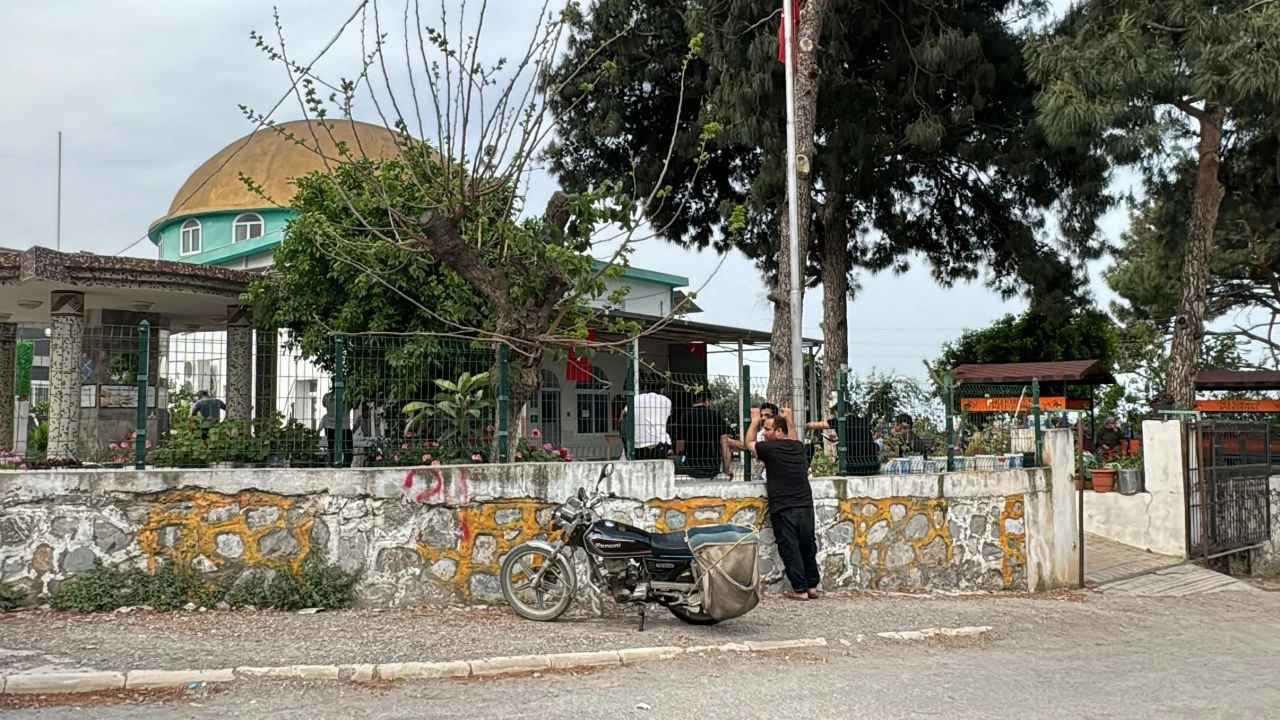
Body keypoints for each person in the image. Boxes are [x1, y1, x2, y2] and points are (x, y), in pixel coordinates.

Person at [747, 406, 820, 601]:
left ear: (779, 432)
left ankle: (800, 589)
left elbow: (749, 443)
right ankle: (812, 586)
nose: (765, 432)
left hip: (784, 506)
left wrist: (754, 421)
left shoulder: (769, 448)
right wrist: (789, 419)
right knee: (807, 545)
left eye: (768, 429)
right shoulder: (797, 447)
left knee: (790, 547)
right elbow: (794, 437)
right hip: (804, 504)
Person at [672, 390, 733, 479]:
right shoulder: (716, 417)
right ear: (707, 400)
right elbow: (725, 444)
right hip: (713, 468)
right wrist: (726, 469)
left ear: (692, 401)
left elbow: (679, 449)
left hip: (691, 467)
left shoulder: (684, 417)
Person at [805, 411, 878, 476]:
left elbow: (816, 425)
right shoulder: (863, 421)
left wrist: (805, 425)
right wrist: (837, 438)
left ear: (838, 412)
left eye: (834, 413)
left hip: (853, 468)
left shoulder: (840, 421)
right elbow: (855, 437)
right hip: (871, 466)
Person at [726, 402, 778, 480]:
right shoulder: (761, 433)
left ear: (775, 417)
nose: (763, 418)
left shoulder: (780, 432)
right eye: (761, 415)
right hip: (763, 475)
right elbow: (748, 445)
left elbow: (750, 445)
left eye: (767, 415)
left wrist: (754, 422)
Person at [629, 380, 672, 460]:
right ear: (662, 389)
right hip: (659, 444)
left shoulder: (635, 399)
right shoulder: (667, 401)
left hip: (638, 445)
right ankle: (670, 450)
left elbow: (623, 414)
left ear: (645, 388)